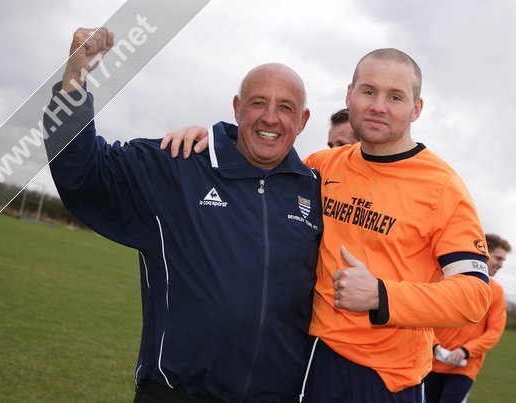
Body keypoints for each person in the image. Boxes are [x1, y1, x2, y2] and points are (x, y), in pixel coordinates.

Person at [162, 48, 492, 402]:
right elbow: (260, 172)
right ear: (350, 95)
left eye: (395, 97)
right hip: (309, 361)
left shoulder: (443, 187)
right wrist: (214, 141)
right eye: (369, 91)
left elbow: (474, 296)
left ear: (416, 109)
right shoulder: (323, 166)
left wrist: (382, 295)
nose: (379, 105)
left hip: (384, 379)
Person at [44, 27, 324, 403]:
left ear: (303, 120)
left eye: (285, 107)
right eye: (258, 103)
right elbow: (82, 172)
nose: (270, 118)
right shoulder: (177, 165)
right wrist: (75, 80)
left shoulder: (315, 190)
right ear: (237, 108)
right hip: (178, 393)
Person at [424, 233, 512, 403]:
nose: (501, 264)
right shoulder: (447, 280)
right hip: (430, 363)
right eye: (498, 258)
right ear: (485, 254)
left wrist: (465, 351)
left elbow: (494, 332)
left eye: (503, 261)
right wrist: (434, 345)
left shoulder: (497, 292)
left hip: (464, 370)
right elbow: (427, 317)